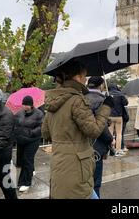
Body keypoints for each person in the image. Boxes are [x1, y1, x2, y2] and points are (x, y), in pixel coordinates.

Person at [42, 60, 113, 199]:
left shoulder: (52, 102)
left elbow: (45, 132)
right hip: (77, 167)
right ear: (76, 77)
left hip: (59, 165)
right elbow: (94, 130)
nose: (86, 79)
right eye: (84, 75)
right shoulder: (77, 101)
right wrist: (106, 107)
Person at [85, 76, 114, 198]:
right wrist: (110, 139)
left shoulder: (81, 98)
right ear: (101, 85)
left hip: (82, 146)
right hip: (97, 147)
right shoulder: (102, 100)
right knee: (95, 183)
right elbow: (100, 127)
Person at [14, 95, 44, 193]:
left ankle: (25, 183)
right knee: (23, 160)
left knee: (27, 160)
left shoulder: (39, 114)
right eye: (23, 104)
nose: (25, 106)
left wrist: (31, 133)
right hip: (21, 140)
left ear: (31, 105)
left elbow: (41, 127)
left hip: (32, 140)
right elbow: (15, 123)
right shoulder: (19, 113)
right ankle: (30, 171)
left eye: (27, 104)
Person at [108, 84, 129, 157]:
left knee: (110, 134)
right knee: (119, 134)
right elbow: (126, 103)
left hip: (109, 116)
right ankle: (118, 150)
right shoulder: (120, 94)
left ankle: (110, 149)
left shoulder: (107, 94)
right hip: (118, 116)